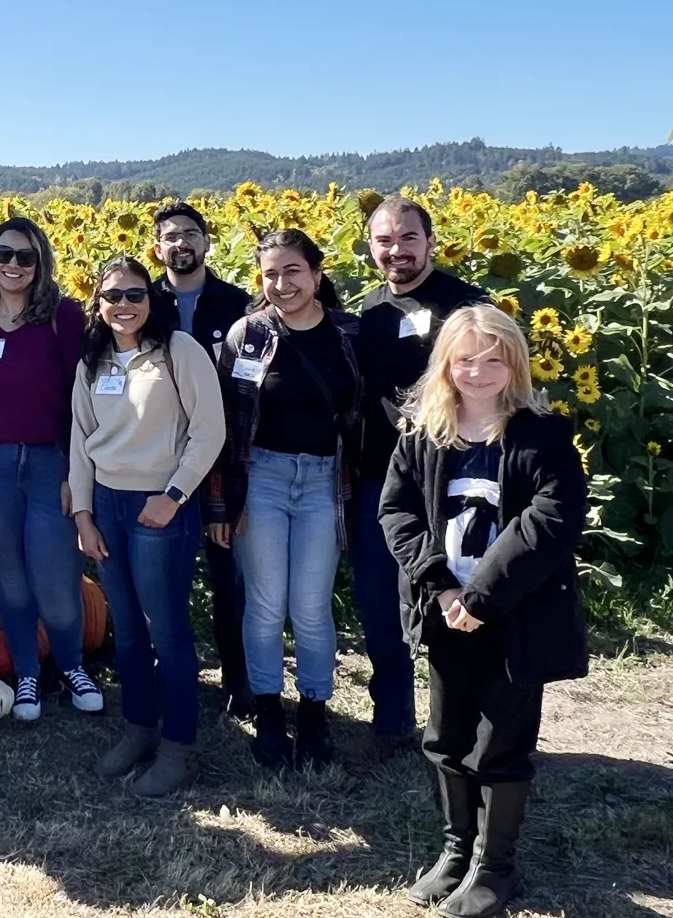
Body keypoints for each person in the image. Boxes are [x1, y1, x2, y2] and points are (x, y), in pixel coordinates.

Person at [381, 305, 586, 918]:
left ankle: (496, 867)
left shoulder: (543, 435)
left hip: (514, 615)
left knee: (503, 741)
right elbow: (398, 514)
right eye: (464, 358)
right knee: (445, 736)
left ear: (514, 364)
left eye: (493, 359)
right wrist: (443, 589)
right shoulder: (422, 434)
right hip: (445, 611)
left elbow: (548, 524)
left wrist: (482, 598)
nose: (478, 371)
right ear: (445, 363)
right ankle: (456, 849)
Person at [70, 256, 225, 796]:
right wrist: (84, 515)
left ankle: (178, 747)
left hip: (160, 506)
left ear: (151, 299)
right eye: (112, 296)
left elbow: (209, 431)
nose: (124, 306)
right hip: (108, 506)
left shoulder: (180, 351)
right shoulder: (92, 360)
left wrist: (175, 494)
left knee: (167, 630)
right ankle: (139, 728)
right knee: (128, 631)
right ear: (98, 303)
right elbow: (80, 440)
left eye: (135, 295)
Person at [208, 229, 361, 770]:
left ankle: (315, 713)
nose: (281, 283)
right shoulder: (246, 335)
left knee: (312, 607)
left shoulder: (349, 334)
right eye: (270, 274)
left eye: (293, 271)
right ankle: (270, 710)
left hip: (325, 480)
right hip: (263, 478)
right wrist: (222, 504)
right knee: (266, 605)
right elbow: (223, 427)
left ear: (317, 274)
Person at [0, 217, 103, 721]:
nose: (13, 265)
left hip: (49, 464)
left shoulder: (63, 317)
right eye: (3, 254)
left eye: (25, 256)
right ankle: (26, 676)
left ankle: (72, 664)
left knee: (57, 578)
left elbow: (80, 401)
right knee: (11, 578)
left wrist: (73, 473)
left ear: (41, 263)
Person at [355, 196, 489, 755]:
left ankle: (459, 727)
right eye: (384, 240)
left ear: (430, 241)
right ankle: (392, 722)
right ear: (370, 248)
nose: (396, 250)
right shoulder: (368, 311)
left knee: (453, 597)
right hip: (378, 478)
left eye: (407, 237)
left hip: (451, 479)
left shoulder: (465, 305)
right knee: (379, 600)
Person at [150, 201, 255, 718]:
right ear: (157, 247)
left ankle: (240, 681)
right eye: (170, 236)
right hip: (159, 455)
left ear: (207, 242)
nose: (180, 244)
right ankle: (171, 677)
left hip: (223, 456)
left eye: (190, 234)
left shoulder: (239, 305)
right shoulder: (141, 301)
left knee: (227, 574)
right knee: (163, 574)